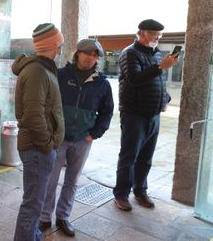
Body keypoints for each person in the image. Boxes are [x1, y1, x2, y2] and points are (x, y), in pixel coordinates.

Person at [39, 39, 114, 236]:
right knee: (51, 179)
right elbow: (47, 102)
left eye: (95, 55)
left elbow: (107, 112)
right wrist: (50, 128)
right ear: (78, 53)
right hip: (59, 138)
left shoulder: (102, 84)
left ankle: (63, 216)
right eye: (88, 53)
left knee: (72, 180)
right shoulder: (61, 75)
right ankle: (44, 217)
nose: (91, 57)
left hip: (82, 140)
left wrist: (94, 134)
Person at [114, 19, 179, 211]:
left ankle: (140, 191)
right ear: (142, 33)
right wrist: (160, 67)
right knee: (129, 156)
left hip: (153, 114)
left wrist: (164, 99)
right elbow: (134, 80)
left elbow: (158, 82)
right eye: (153, 35)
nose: (157, 39)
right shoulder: (129, 53)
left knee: (146, 157)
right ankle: (121, 194)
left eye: (159, 36)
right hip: (134, 114)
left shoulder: (157, 54)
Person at [12, 23, 65, 241]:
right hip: (37, 148)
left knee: (36, 202)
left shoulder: (42, 68)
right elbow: (34, 114)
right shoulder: (37, 71)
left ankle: (33, 236)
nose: (61, 49)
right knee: (33, 204)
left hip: (39, 147)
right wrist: (47, 144)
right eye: (59, 44)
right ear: (53, 45)